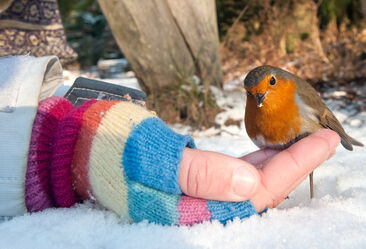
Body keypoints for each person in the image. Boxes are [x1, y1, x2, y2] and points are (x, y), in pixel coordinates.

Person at [0, 55, 339, 225]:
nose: (259, 98)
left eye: (267, 88)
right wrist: (68, 145)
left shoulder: (297, 95)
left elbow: (324, 118)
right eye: (253, 94)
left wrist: (62, 137)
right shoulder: (257, 105)